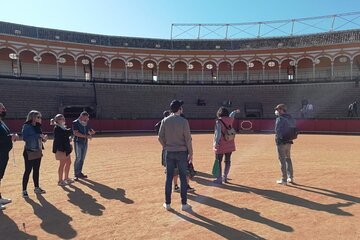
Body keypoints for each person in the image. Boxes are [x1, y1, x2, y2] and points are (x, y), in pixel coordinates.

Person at [158, 100, 193, 211]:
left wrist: (166, 146)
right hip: (182, 152)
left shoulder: (165, 121)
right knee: (183, 177)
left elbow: (160, 137)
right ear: (179, 109)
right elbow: (188, 139)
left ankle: (167, 203)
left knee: (168, 178)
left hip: (170, 151)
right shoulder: (184, 121)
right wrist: (191, 152)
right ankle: (184, 204)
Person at [22, 110, 47, 198]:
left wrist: (43, 139)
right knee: (28, 171)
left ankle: (36, 188)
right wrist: (38, 136)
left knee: (36, 170)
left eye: (40, 117)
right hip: (29, 151)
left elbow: (39, 138)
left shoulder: (38, 126)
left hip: (38, 151)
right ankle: (24, 190)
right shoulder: (27, 126)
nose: (40, 119)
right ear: (33, 118)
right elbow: (25, 138)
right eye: (38, 117)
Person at [213, 107, 240, 184]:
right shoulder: (230, 119)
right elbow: (232, 114)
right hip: (229, 143)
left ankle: (219, 178)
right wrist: (235, 111)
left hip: (221, 144)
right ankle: (225, 176)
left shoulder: (219, 121)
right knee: (227, 161)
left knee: (218, 161)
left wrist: (216, 143)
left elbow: (218, 133)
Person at [0, 103, 18, 210]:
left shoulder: (1, 122)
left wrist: (11, 136)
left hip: (3, 153)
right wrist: (9, 138)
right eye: (2, 108)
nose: (4, 109)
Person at [274, 104, 296, 185]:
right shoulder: (290, 117)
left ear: (281, 110)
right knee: (288, 159)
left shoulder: (279, 119)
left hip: (281, 142)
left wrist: (280, 139)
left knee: (282, 160)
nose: (277, 111)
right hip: (289, 141)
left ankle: (284, 179)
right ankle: (291, 177)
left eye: (278, 109)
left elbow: (277, 131)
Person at [51, 114, 74, 186]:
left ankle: (66, 178)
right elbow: (64, 135)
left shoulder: (62, 127)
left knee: (69, 162)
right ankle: (60, 180)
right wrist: (71, 131)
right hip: (61, 149)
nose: (63, 120)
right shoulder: (57, 128)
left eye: (63, 118)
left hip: (65, 148)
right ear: (57, 120)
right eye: (61, 119)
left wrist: (68, 139)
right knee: (62, 164)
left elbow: (64, 136)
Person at [72, 111, 95, 180]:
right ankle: (76, 174)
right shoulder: (75, 122)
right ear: (82, 116)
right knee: (78, 158)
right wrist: (86, 136)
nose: (87, 119)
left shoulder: (87, 123)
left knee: (82, 158)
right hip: (78, 142)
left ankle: (79, 173)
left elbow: (90, 130)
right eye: (86, 118)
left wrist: (91, 132)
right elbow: (76, 133)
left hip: (85, 142)